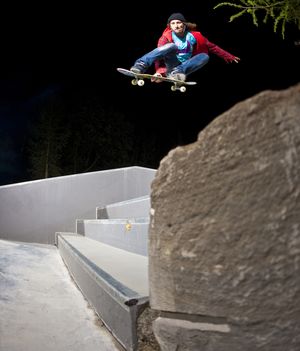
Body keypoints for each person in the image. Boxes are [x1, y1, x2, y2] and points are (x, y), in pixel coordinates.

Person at [130, 12, 240, 82]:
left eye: (178, 23)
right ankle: (141, 64)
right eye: (173, 23)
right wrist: (160, 72)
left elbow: (213, 47)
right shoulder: (165, 37)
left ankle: (176, 73)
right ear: (170, 26)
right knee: (171, 46)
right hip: (170, 63)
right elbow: (158, 55)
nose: (176, 26)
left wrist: (230, 56)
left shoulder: (194, 36)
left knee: (205, 56)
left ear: (184, 24)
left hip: (183, 66)